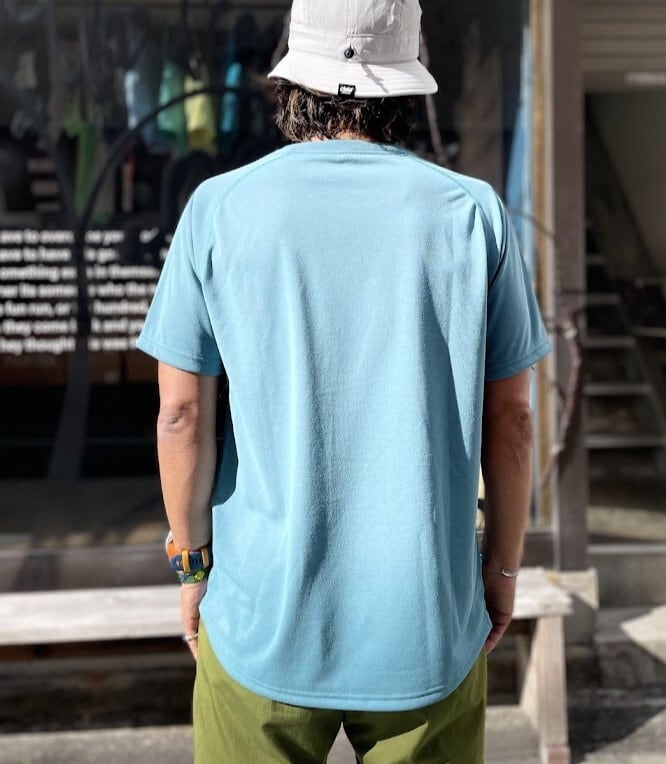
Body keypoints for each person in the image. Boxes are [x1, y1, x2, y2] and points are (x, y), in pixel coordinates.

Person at [137, 0, 550, 761]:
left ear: (294, 78)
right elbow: (514, 421)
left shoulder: (218, 209)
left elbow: (181, 416)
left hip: (261, 618)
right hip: (426, 621)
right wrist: (501, 568)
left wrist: (192, 565)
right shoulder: (475, 214)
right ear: (406, 82)